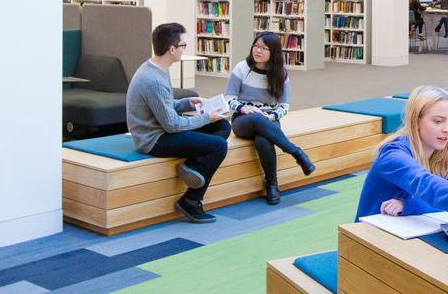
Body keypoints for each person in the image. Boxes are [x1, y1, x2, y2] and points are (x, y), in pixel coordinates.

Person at [127, 23, 231, 223]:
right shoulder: (153, 79)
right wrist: (205, 118)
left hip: (161, 128)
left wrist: (186, 103)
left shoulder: (158, 68)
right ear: (172, 49)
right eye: (183, 45)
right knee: (219, 146)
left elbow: (162, 106)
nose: (185, 49)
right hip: (154, 139)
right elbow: (171, 125)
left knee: (223, 126)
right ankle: (191, 201)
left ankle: (193, 165)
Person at [227, 32, 316, 205]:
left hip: (269, 120)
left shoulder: (280, 73)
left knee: (263, 141)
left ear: (273, 52)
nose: (257, 51)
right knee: (257, 119)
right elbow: (229, 98)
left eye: (263, 48)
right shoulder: (241, 68)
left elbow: (284, 106)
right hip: (243, 119)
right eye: (256, 46)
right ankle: (296, 152)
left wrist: (273, 115)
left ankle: (272, 184)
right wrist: (243, 108)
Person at [354, 85, 448, 221]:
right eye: (438, 121)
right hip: (370, 234)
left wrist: (410, 205)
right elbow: (425, 184)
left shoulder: (441, 157)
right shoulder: (392, 156)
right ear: (416, 121)